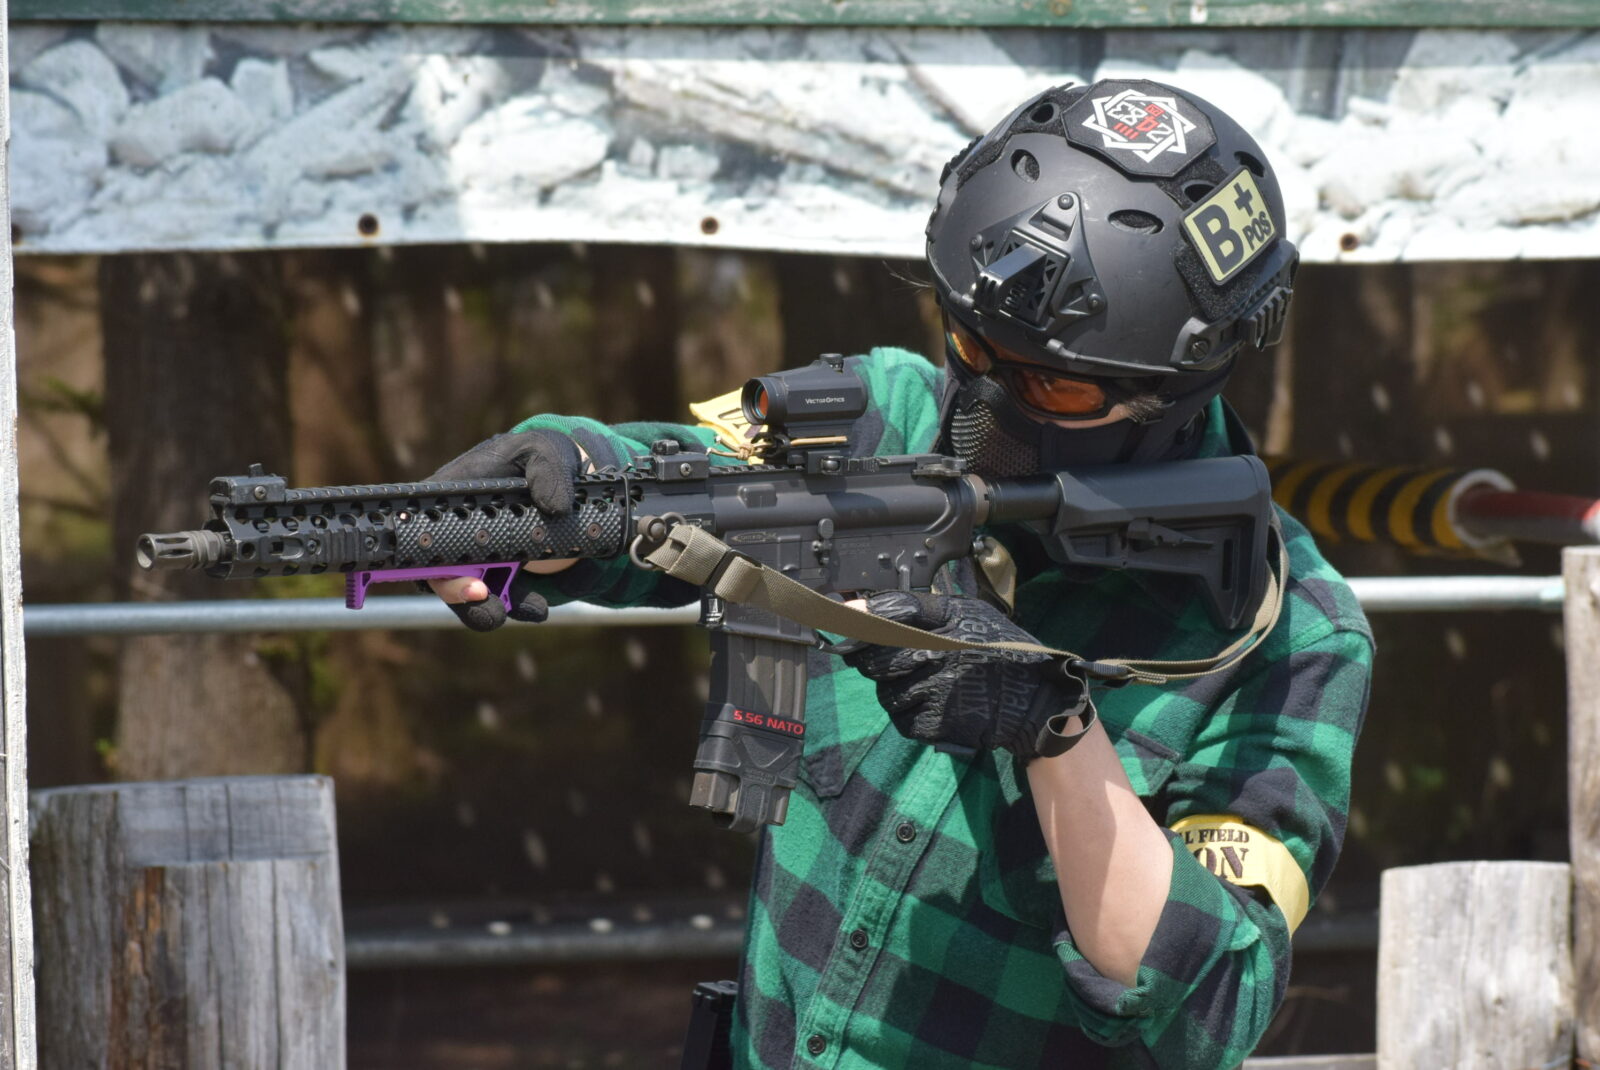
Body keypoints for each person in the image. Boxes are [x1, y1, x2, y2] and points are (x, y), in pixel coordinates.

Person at [427, 79, 1373, 1069]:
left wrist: (1054, 730)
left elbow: (1209, 1003)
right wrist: (557, 479)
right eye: (970, 344)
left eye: (1052, 385)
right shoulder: (879, 411)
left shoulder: (1286, 632)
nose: (983, 405)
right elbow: (682, 476)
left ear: (1178, 387)